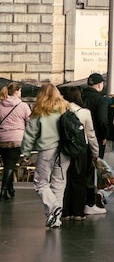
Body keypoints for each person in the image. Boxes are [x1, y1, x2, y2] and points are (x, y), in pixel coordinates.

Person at [20, 84, 71, 227]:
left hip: (47, 150)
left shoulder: (39, 111)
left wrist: (26, 153)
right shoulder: (66, 108)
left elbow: (30, 134)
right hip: (65, 151)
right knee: (58, 184)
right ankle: (55, 219)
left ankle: (53, 207)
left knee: (40, 183)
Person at [60, 86, 101, 220]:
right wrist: (95, 152)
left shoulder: (60, 110)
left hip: (64, 148)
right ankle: (78, 212)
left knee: (64, 180)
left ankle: (65, 211)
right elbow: (90, 134)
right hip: (81, 150)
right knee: (80, 180)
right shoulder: (85, 112)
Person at [1, 81, 31, 200]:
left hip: (2, 139)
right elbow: (30, 122)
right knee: (10, 165)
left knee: (7, 164)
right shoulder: (23, 106)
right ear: (16, 91)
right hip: (16, 139)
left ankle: (10, 189)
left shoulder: (0, 104)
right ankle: (3, 189)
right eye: (20, 90)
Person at [82, 73, 110, 160]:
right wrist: (104, 135)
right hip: (96, 135)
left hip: (79, 135)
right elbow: (102, 120)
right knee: (97, 161)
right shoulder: (101, 100)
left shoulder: (80, 95)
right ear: (99, 85)